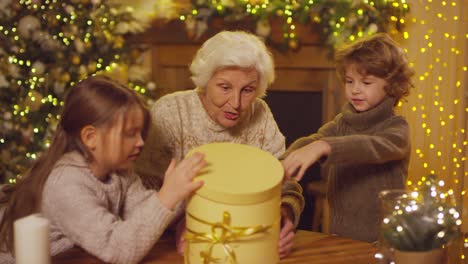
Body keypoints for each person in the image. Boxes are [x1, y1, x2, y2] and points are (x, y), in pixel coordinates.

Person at [0, 76, 207, 264]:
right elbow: (117, 249)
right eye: (130, 134)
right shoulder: (66, 184)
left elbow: (145, 212)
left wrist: (182, 193)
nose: (140, 142)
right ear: (91, 137)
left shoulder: (120, 172)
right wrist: (168, 196)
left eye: (140, 133)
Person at [135, 30, 304, 258]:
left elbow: (284, 179)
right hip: (168, 246)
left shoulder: (260, 113)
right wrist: (181, 223)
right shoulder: (170, 112)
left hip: (245, 242)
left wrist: (283, 215)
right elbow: (141, 195)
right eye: (224, 87)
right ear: (206, 81)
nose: (235, 103)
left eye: (247, 90)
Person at [281, 33, 415, 242]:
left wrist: (324, 146)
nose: (355, 90)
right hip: (339, 235)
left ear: (391, 84)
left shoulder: (396, 128)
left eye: (366, 82)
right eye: (349, 81)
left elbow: (372, 146)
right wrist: (285, 160)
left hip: (383, 241)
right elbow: (312, 140)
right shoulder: (342, 122)